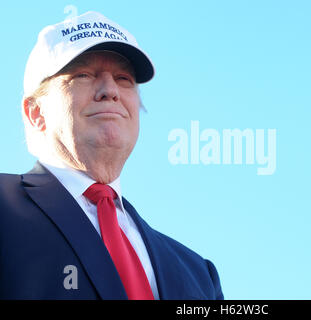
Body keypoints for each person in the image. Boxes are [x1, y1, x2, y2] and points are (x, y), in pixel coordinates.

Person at [0, 11, 223, 300]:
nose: (110, 90)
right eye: (83, 75)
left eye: (124, 78)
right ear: (36, 112)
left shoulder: (197, 272)